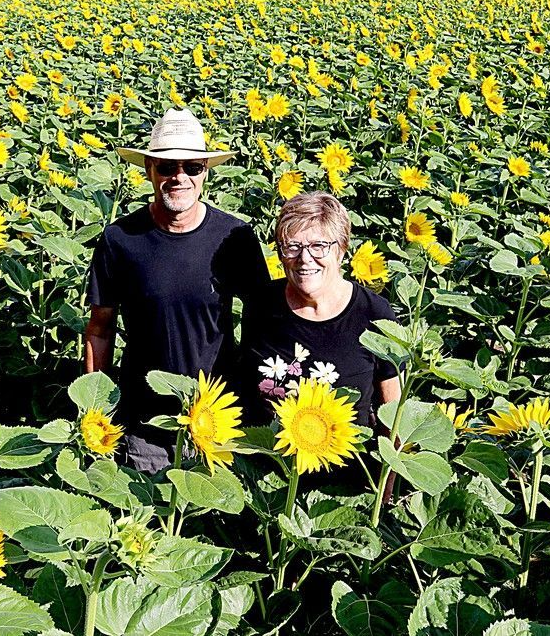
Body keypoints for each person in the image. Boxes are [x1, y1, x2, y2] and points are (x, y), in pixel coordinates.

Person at [85, 108, 270, 473]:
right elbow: (99, 328)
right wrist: (95, 410)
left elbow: (265, 320)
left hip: (216, 414)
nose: (179, 177)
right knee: (145, 518)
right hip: (144, 421)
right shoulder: (120, 240)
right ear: (149, 170)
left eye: (192, 167)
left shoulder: (234, 238)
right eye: (168, 168)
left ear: (206, 171)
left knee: (213, 522)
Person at [238, 191, 401, 484]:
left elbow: (394, 416)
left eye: (319, 246)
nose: (304, 258)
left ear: (342, 250)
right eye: (292, 246)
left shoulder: (373, 313)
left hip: (344, 485)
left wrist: (385, 493)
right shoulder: (261, 305)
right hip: (265, 482)